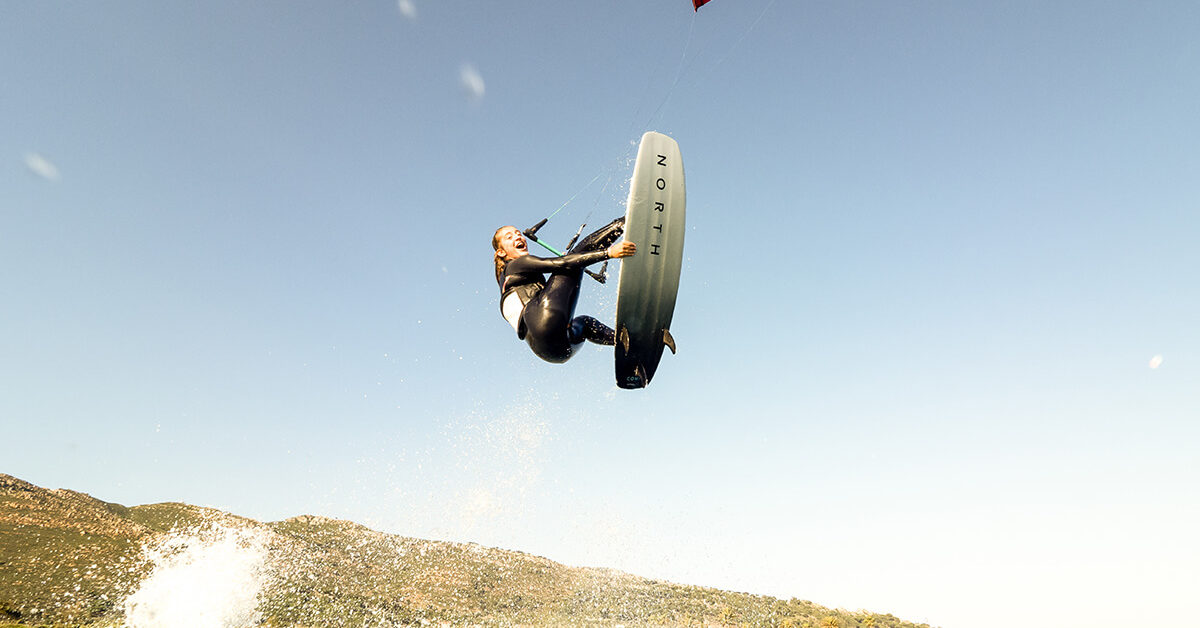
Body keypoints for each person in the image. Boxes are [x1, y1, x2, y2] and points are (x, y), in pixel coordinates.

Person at [492, 218, 635, 363]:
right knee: (576, 257)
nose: (518, 236)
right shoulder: (515, 265)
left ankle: (625, 341)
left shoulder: (507, 284)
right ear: (501, 253)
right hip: (545, 322)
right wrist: (608, 253)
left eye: (518, 233)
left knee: (585, 324)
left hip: (553, 352)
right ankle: (624, 223)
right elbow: (564, 264)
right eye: (509, 237)